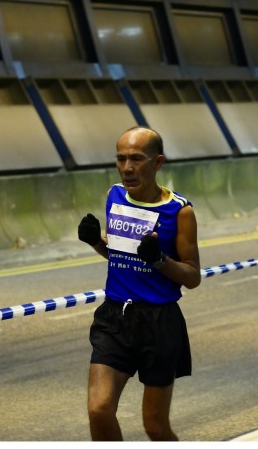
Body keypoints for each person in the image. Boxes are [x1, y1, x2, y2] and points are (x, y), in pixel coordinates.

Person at [77, 126, 201, 441]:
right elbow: (121, 255)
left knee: (155, 427)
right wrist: (96, 242)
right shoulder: (114, 196)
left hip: (159, 322)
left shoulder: (179, 211)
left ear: (157, 162)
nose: (127, 167)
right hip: (115, 317)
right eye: (121, 159)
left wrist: (159, 259)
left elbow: (193, 277)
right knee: (99, 410)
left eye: (136, 159)